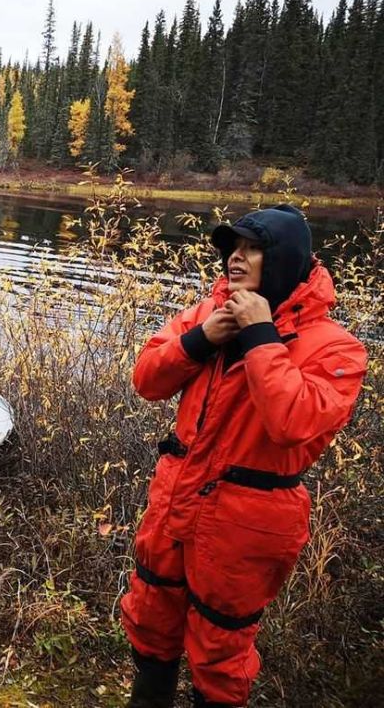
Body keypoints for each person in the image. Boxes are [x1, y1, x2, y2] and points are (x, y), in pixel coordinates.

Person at [120, 204, 367, 708]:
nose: (236, 258)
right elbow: (147, 380)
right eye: (232, 248)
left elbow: (293, 422)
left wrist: (259, 334)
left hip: (246, 521)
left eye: (252, 249)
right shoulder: (207, 314)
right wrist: (198, 339)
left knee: (221, 651)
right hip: (176, 496)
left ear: (284, 261)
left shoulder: (338, 349)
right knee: (151, 617)